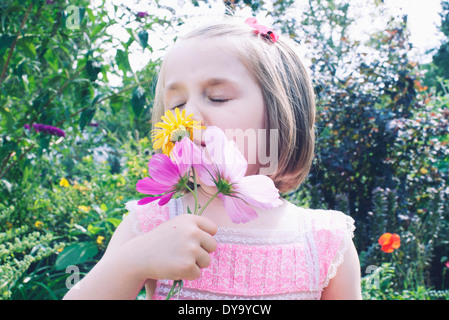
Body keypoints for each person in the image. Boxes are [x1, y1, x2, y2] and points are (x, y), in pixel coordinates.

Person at [63, 17, 362, 300]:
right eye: (177, 104)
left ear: (280, 114)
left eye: (218, 97)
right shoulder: (151, 223)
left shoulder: (325, 242)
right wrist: (131, 262)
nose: (188, 117)